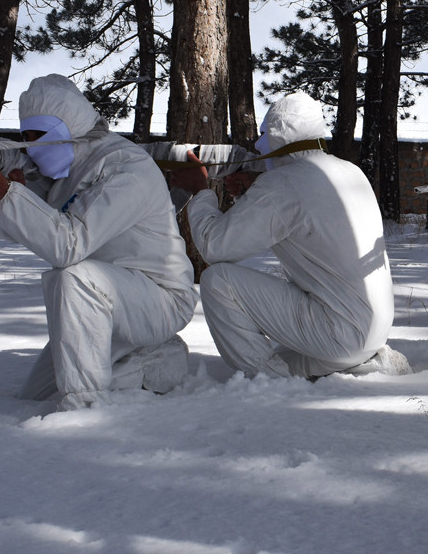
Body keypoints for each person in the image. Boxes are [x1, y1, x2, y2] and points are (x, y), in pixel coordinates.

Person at [0, 74, 197, 410]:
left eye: (37, 136)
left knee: (71, 277)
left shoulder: (126, 168)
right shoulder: (67, 171)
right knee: (37, 395)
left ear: (67, 130)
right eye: (24, 137)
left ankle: (87, 409)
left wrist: (3, 191)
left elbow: (68, 245)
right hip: (104, 297)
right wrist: (13, 191)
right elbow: (25, 229)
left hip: (160, 298)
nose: (30, 145)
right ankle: (145, 352)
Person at [169, 92, 407, 379]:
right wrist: (256, 190)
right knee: (288, 359)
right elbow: (304, 207)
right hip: (371, 335)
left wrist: (200, 190)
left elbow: (214, 245)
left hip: (338, 335)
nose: (258, 146)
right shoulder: (350, 171)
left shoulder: (283, 185)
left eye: (265, 135)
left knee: (217, 280)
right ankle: (350, 365)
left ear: (278, 138)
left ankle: (267, 380)